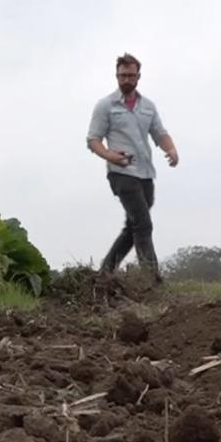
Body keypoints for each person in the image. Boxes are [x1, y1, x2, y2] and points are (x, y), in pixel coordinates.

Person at [86, 52, 179, 281]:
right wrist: (110, 155)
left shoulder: (148, 106)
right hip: (121, 173)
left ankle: (104, 274)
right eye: (122, 75)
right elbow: (93, 140)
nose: (126, 79)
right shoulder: (105, 105)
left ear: (138, 76)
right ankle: (152, 280)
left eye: (130, 75)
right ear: (116, 76)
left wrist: (171, 150)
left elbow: (159, 132)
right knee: (143, 224)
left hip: (146, 173)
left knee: (133, 226)